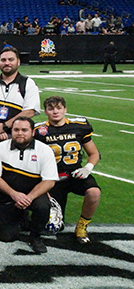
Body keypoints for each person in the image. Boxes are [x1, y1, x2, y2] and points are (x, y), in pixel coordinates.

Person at [0, 117, 59, 254]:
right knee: (7, 237)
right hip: (8, 194)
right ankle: (17, 216)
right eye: (16, 130)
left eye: (24, 130)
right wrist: (14, 194)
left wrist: (29, 198)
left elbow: (49, 181)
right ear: (11, 131)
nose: (20, 133)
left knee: (43, 206)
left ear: (32, 132)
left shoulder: (44, 150)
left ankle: (35, 237)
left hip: (33, 193)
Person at [35, 96, 101, 243]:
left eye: (58, 108)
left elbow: (94, 153)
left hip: (75, 173)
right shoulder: (39, 131)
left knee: (94, 192)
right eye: (51, 108)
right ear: (45, 111)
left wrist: (88, 168)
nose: (55, 111)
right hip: (53, 178)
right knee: (55, 226)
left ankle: (82, 226)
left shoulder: (79, 126)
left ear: (65, 109)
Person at [0, 47, 41, 158]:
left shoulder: (27, 83)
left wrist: (4, 126)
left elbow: (29, 111)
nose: (7, 63)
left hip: (17, 136)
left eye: (11, 60)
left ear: (18, 62)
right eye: (3, 60)